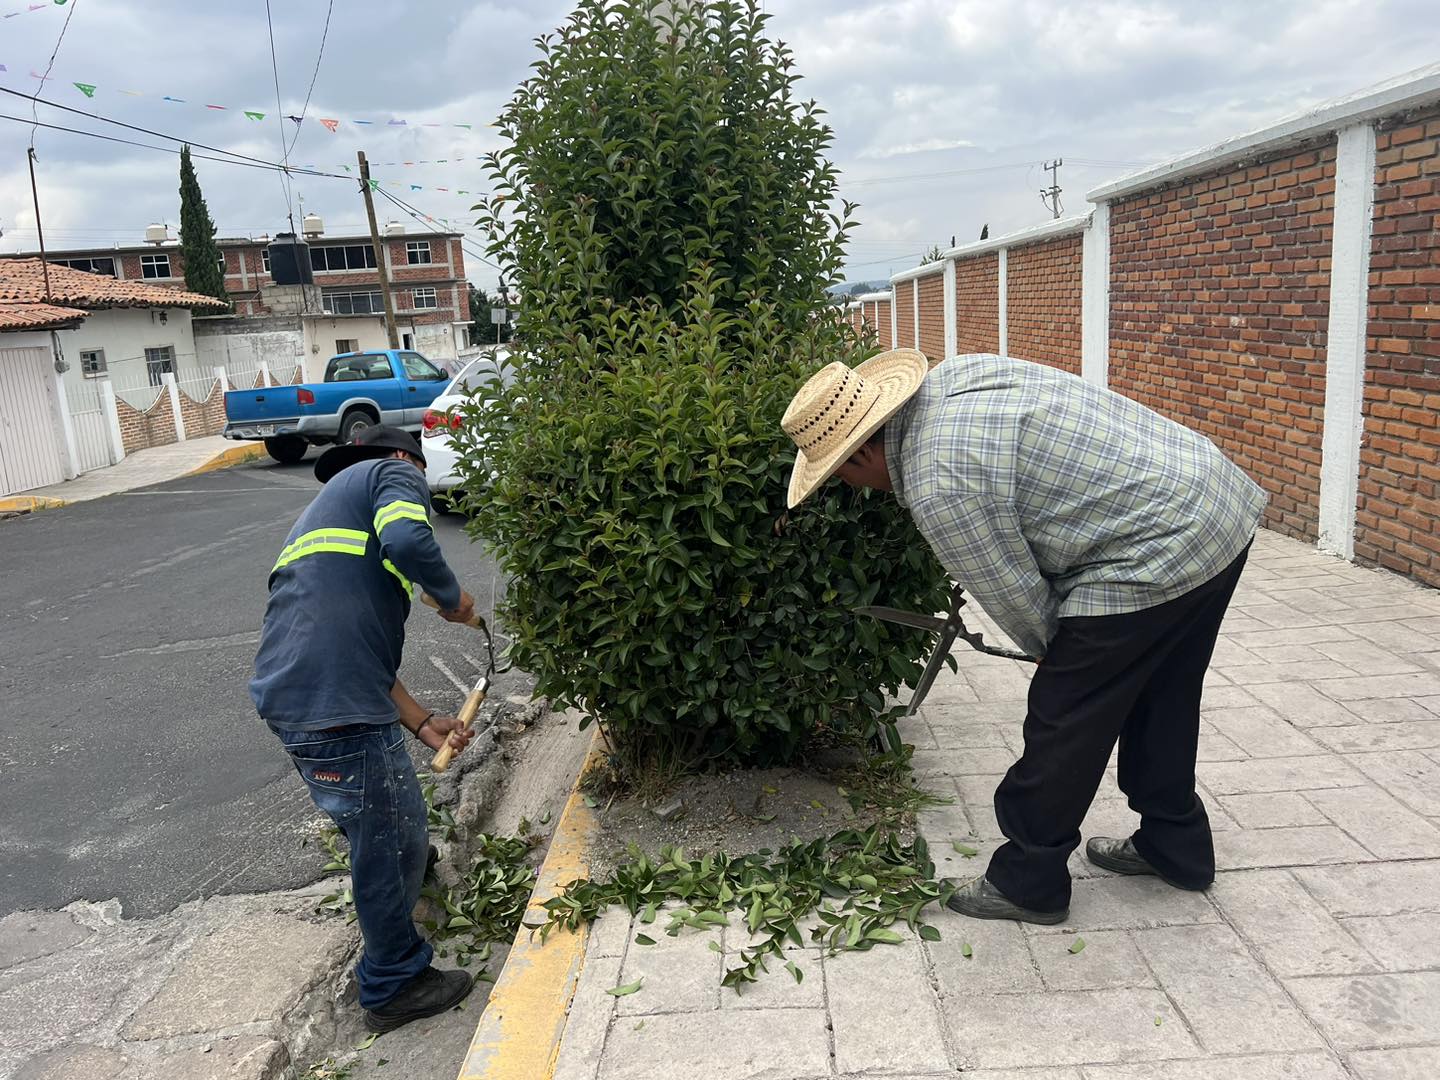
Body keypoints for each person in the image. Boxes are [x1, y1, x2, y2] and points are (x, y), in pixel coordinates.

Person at [781, 349, 1266, 925]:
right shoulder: (958, 376)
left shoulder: (941, 482)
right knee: (1164, 691)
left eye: (842, 472)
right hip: (1214, 503)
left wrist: (1053, 656)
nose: (855, 487)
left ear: (862, 450)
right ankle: (1176, 845)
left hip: (1150, 548)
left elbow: (1018, 597)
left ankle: (1027, 880)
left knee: (1065, 717)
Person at [250, 425, 479, 1031]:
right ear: (407, 461)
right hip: (333, 703)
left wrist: (423, 721)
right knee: (389, 836)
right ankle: (393, 982)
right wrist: (452, 596)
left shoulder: (330, 532)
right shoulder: (393, 473)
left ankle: (407, 867)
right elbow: (408, 536)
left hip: (305, 695)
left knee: (386, 827)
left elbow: (355, 652)